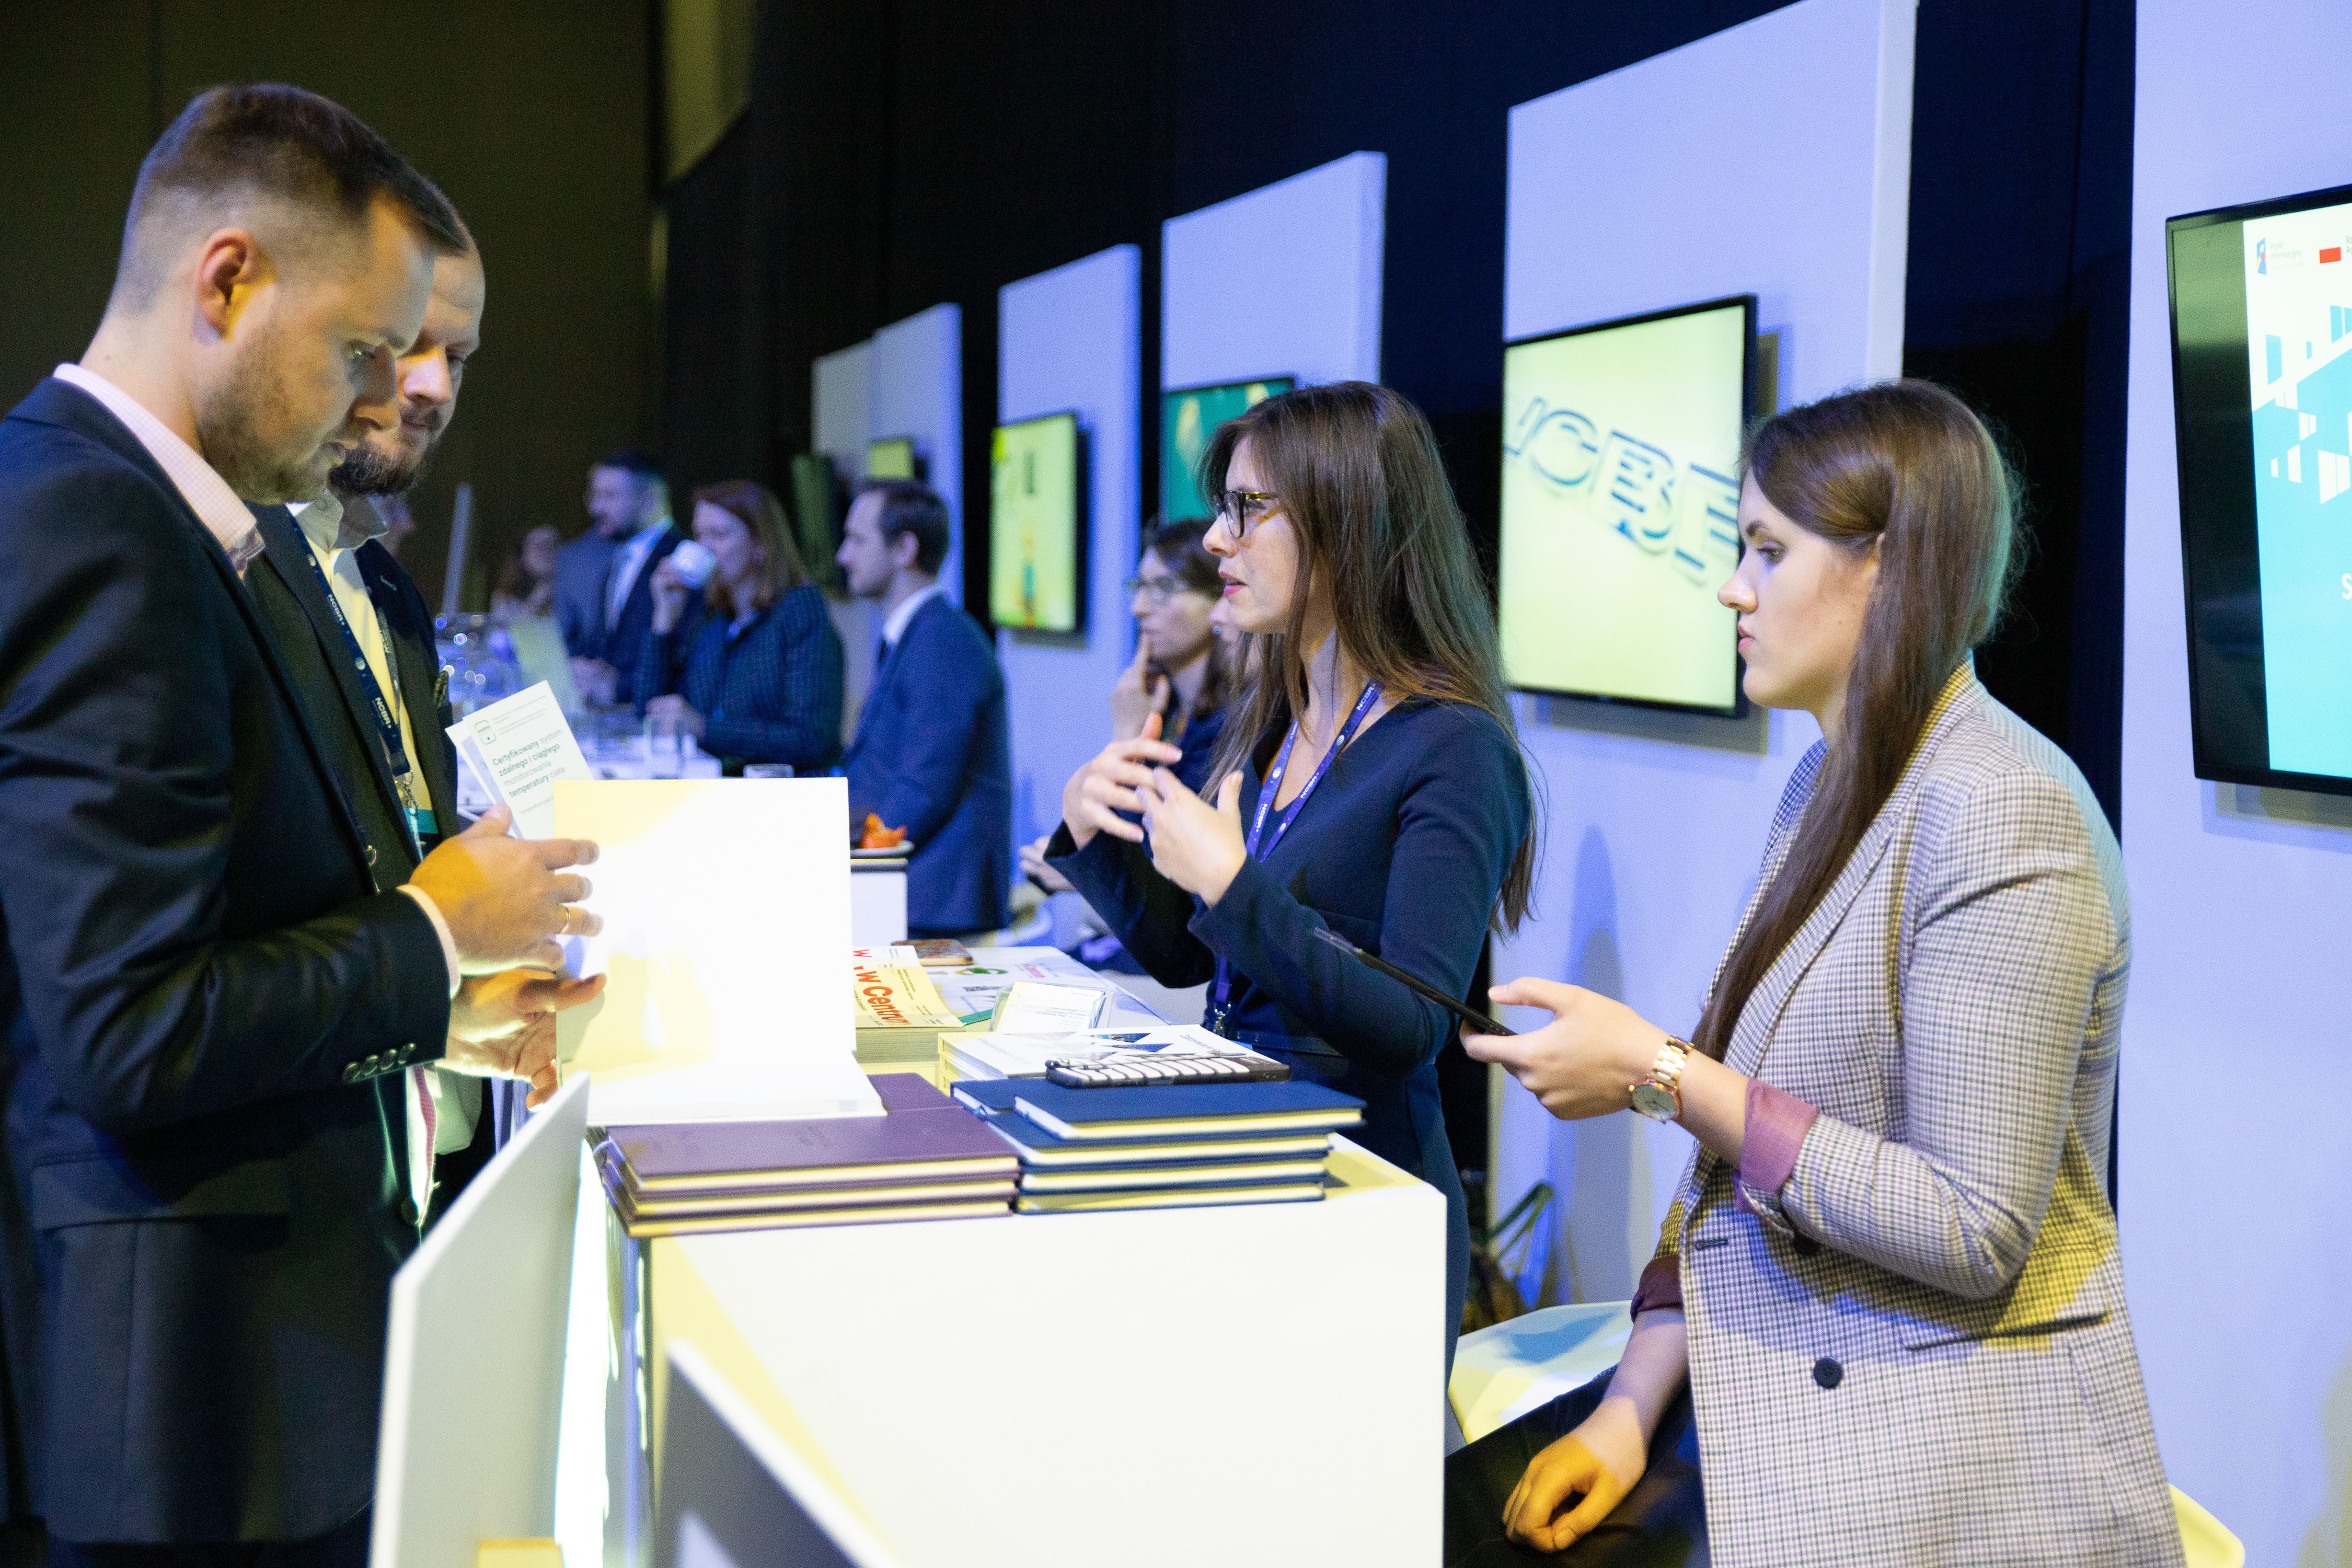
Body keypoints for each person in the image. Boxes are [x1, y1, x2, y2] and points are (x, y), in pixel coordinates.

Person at [0, 84, 597, 1561]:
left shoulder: (149, 516)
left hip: (247, 1362)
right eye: (360, 352)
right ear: (227, 283)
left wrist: (434, 1006)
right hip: (186, 1395)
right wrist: (431, 939)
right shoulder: (100, 521)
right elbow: (131, 1027)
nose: (379, 398)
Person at [1454, 382, 2180, 1565]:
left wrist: (1662, 1074)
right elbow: (1730, 1158)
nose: (1733, 588)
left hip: (1937, 1458)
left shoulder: (2001, 808)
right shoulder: (1828, 782)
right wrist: (1629, 1407)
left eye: (1766, 550)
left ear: (1885, 566)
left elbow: (1971, 1225)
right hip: (1778, 1385)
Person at [1047, 382, 1536, 1369]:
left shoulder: (1454, 747)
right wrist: (1094, 833)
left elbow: (1413, 1025)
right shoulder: (1274, 717)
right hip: (1250, 1169)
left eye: (1247, 510)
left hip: (1364, 1202)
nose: (1217, 541)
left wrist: (1233, 887)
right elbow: (1194, 962)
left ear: (1347, 521)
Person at [247, 217, 602, 1228]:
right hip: (275, 1197)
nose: (436, 385)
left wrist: (448, 1006)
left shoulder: (386, 585)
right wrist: (440, 938)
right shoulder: (224, 567)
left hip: (408, 1152)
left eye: (460, 355)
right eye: (406, 343)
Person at [1019, 516, 1233, 897]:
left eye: (1164, 588)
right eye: (1140, 587)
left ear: (1219, 598)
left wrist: (1127, 738)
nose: (1139, 608)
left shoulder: (1232, 722)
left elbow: (1160, 859)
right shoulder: (1167, 709)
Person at [837, 478, 1011, 937]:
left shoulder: (943, 640)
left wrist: (851, 861)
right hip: (909, 892)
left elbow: (924, 785)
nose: (843, 556)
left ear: (904, 549)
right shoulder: (919, 633)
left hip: (932, 903)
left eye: (857, 540)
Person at [636, 479, 845, 774]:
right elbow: (651, 713)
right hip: (715, 785)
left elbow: (811, 738)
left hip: (779, 791)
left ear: (761, 544)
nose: (704, 549)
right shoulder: (715, 617)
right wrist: (663, 619)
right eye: (699, 535)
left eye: (718, 535)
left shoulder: (800, 611)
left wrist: (705, 729)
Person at [558, 448, 677, 704]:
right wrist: (581, 666)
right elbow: (608, 646)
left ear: (649, 500)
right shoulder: (619, 558)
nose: (595, 508)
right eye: (595, 496)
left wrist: (618, 687)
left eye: (609, 496)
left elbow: (682, 660)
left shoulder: (680, 561)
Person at [493, 522, 562, 618]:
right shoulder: (505, 597)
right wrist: (538, 598)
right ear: (522, 556)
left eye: (553, 545)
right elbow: (506, 626)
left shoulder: (572, 590)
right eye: (540, 546)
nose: (547, 552)